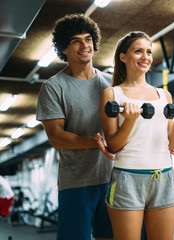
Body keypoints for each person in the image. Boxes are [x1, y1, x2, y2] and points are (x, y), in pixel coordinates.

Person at [100, 31, 174, 240]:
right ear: (123, 57)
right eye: (138, 51)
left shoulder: (164, 95)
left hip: (164, 177)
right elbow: (113, 146)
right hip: (127, 178)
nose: (145, 57)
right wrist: (130, 120)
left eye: (149, 52)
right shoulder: (112, 94)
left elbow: (170, 144)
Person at [36, 14, 114, 240]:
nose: (84, 45)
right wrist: (95, 142)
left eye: (88, 39)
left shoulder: (111, 82)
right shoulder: (53, 87)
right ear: (64, 49)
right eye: (76, 41)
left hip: (113, 179)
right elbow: (56, 137)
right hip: (77, 183)